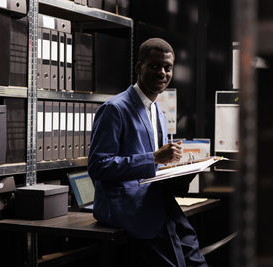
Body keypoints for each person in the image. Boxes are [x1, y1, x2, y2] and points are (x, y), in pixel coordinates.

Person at [87, 38, 207, 267]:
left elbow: (157, 169)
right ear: (139, 67)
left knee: (194, 255)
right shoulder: (114, 109)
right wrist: (153, 157)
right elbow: (98, 166)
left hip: (155, 198)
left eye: (167, 67)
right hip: (126, 204)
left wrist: (182, 171)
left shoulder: (157, 111)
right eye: (154, 66)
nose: (162, 72)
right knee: (176, 259)